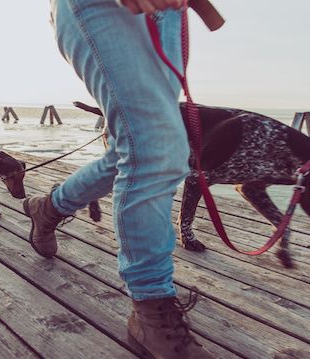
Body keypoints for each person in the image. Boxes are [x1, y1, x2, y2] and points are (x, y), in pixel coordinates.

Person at [23, 1, 221, 358]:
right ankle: (151, 309)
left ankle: (48, 209)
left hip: (170, 13)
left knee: (136, 148)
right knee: (153, 146)